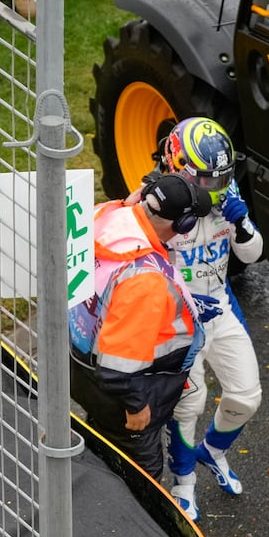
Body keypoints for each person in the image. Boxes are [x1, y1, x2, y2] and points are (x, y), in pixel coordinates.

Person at [151, 117, 265, 522]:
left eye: (221, 180)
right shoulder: (155, 199)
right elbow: (139, 269)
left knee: (247, 396)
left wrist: (242, 224)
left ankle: (212, 453)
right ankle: (182, 485)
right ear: (178, 167)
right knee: (190, 402)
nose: (216, 189)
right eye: (206, 181)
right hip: (177, 318)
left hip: (221, 305)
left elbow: (253, 256)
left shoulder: (225, 192)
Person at [69, 172, 211, 476]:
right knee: (138, 479)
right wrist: (137, 407)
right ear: (182, 225)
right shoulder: (145, 281)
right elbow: (117, 371)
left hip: (81, 371)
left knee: (100, 447)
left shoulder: (107, 216)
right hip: (121, 401)